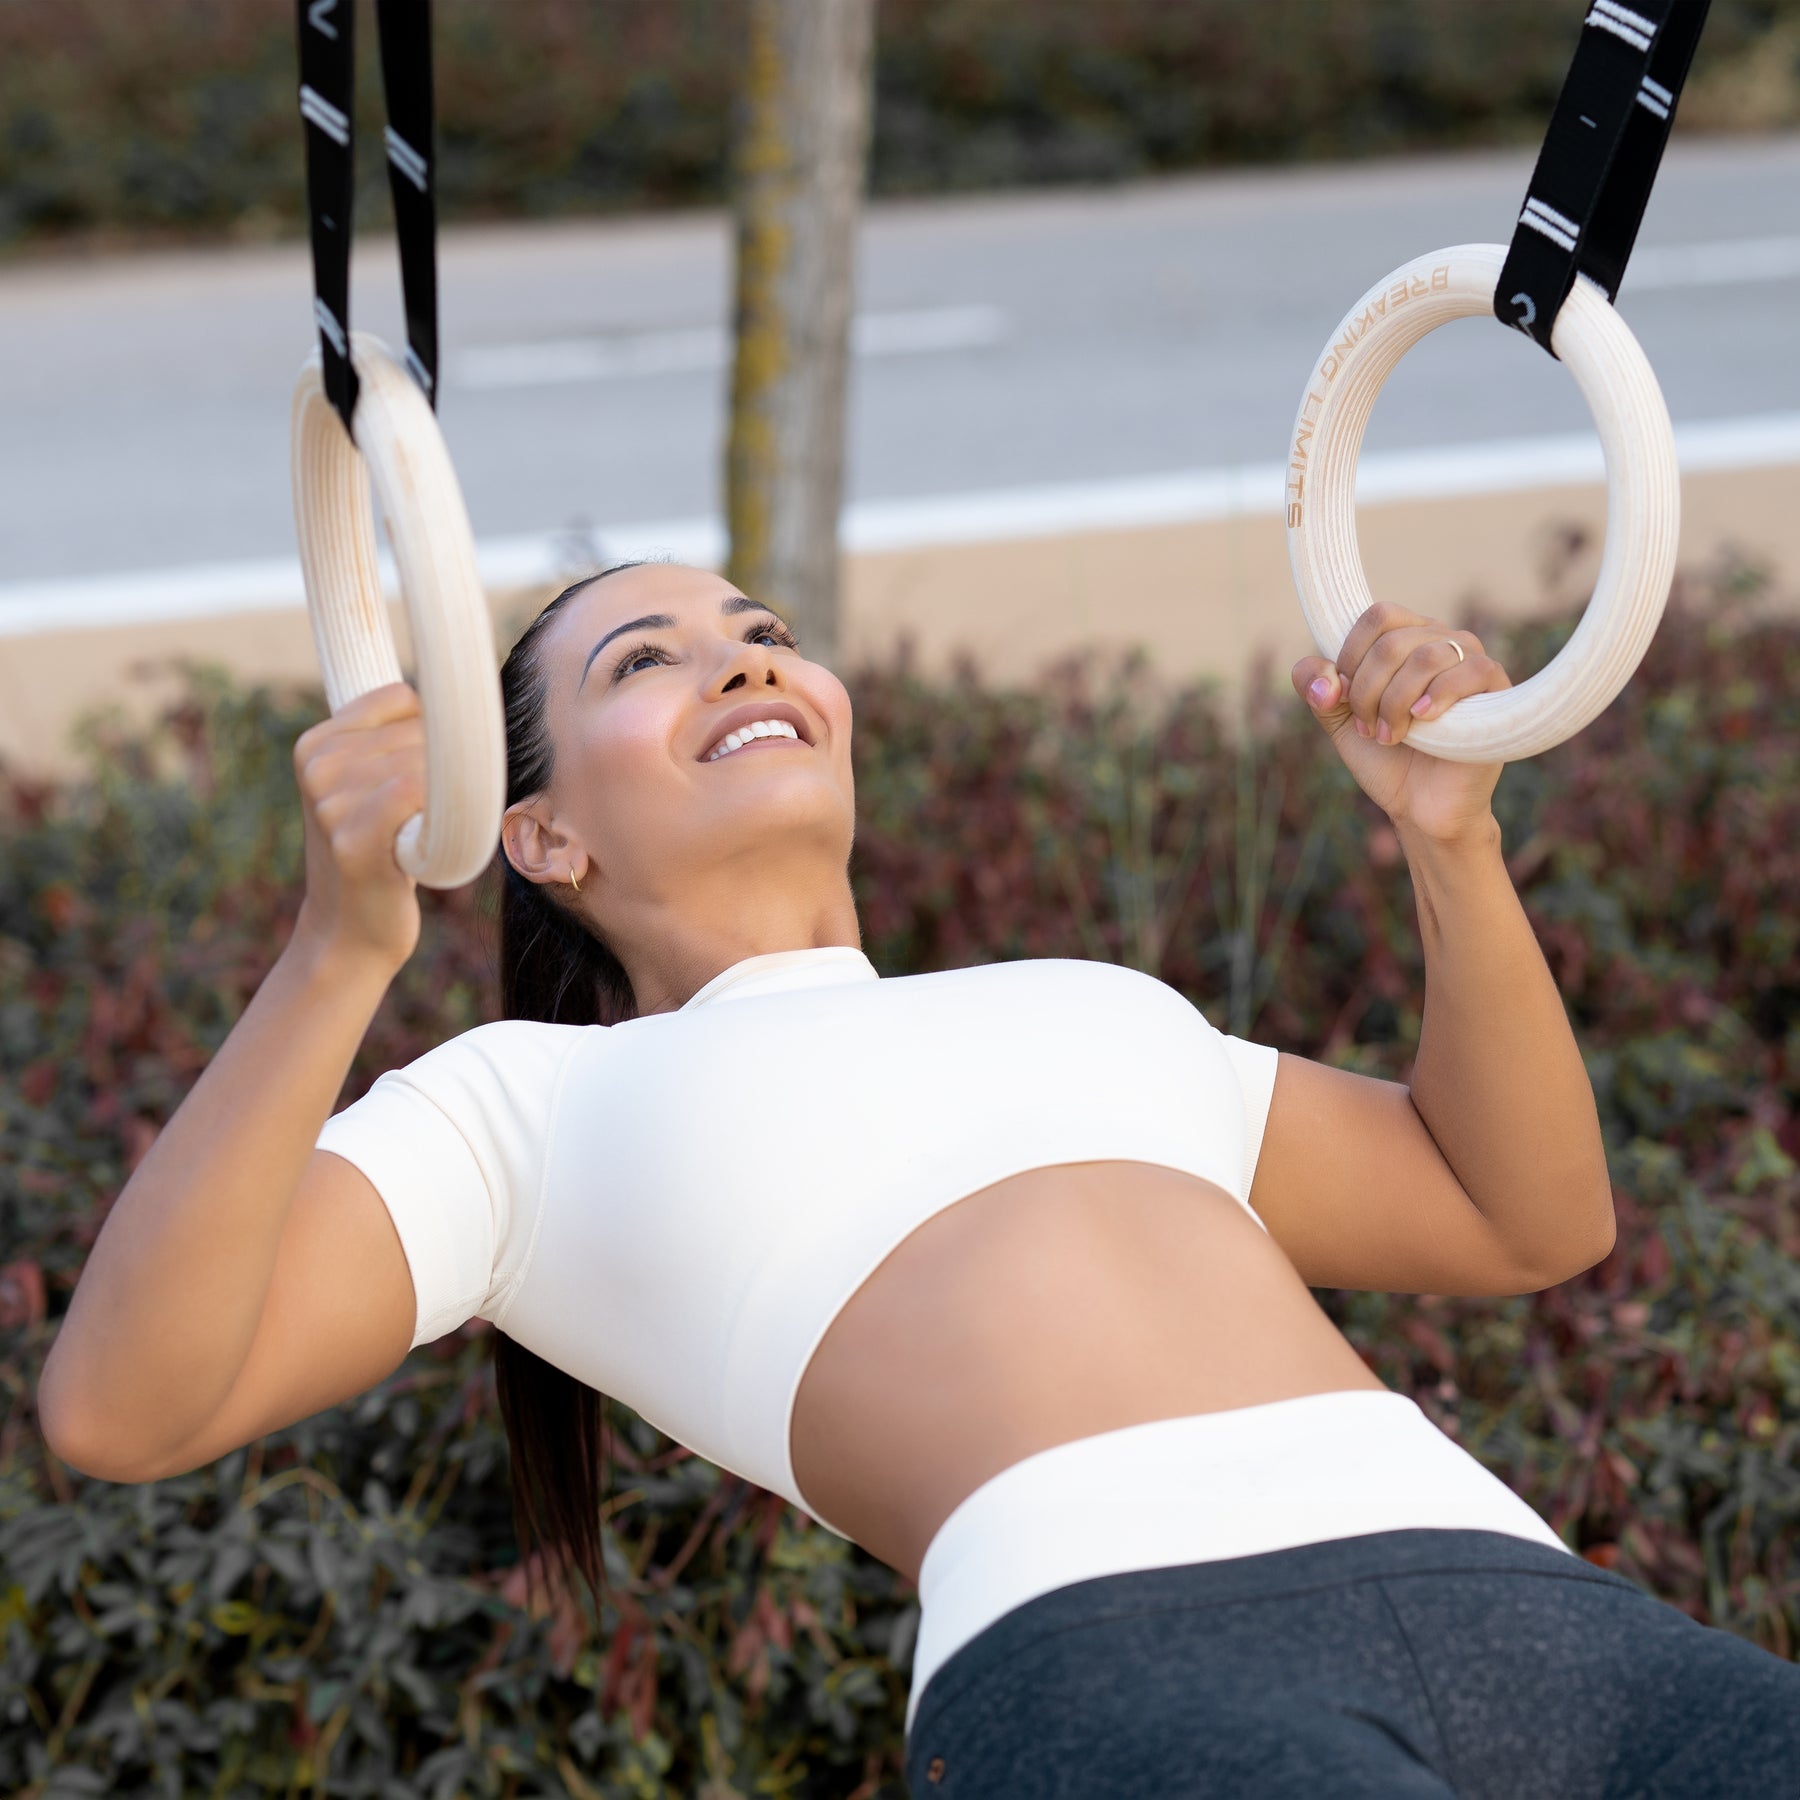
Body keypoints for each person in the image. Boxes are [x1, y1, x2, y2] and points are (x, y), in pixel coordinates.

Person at [39, 561, 1800, 1797]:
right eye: (643, 662)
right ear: (541, 834)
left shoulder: (1095, 1004)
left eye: (766, 634)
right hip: (1125, 1653)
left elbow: (1520, 1214)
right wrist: (340, 948)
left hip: (1529, 1600)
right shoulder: (524, 1108)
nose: (745, 664)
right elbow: (125, 1406)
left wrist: (1449, 841)